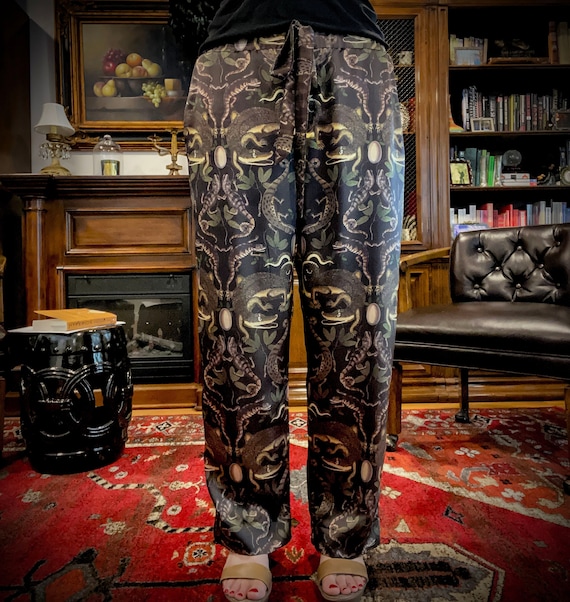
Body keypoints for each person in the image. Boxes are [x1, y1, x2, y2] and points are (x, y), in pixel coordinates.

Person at [182, 2, 404, 600]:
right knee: (236, 325)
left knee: (358, 319)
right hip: (234, 59)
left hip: (354, 61)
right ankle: (248, 531)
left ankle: (346, 531)